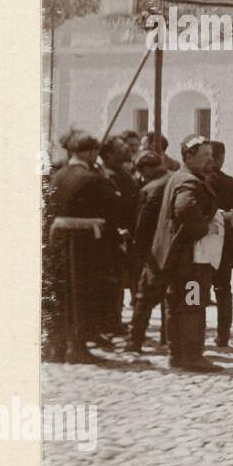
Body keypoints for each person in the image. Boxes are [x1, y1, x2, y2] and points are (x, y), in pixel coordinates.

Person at [150, 134, 221, 372]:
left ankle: (176, 354)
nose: (211, 160)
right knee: (192, 304)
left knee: (176, 304)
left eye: (211, 155)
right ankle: (192, 356)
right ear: (189, 157)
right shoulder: (189, 181)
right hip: (190, 262)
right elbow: (184, 208)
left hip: (174, 259)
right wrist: (205, 227)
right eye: (205, 156)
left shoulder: (178, 177)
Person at [43, 130, 113, 364]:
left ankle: (56, 347)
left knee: (60, 292)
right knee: (81, 292)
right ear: (91, 152)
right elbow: (111, 206)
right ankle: (77, 347)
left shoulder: (57, 176)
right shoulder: (93, 178)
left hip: (58, 237)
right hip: (84, 241)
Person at [124, 152, 172, 354]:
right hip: (178, 250)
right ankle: (169, 339)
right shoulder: (175, 180)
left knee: (144, 297)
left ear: (145, 170)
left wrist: (138, 253)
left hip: (154, 252)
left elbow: (142, 227)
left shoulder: (149, 189)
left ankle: (134, 341)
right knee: (178, 297)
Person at [203, 141, 233, 348]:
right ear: (222, 157)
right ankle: (223, 335)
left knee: (195, 287)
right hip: (224, 248)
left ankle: (194, 329)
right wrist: (228, 222)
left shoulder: (197, 181)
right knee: (223, 291)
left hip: (199, 246)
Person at [98, 135, 139, 338]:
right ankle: (109, 322)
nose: (126, 149)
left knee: (122, 280)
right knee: (113, 280)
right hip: (115, 235)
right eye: (120, 147)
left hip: (129, 234)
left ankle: (115, 320)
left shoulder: (123, 173)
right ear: (108, 154)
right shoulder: (107, 176)